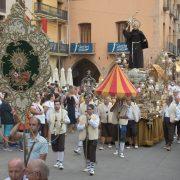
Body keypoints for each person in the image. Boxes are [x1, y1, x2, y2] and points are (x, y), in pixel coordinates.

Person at [77, 104, 99, 176]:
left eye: (90, 109)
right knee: (86, 152)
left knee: (92, 152)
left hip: (93, 137)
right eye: (87, 109)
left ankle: (92, 168)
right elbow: (78, 128)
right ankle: (88, 166)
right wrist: (83, 126)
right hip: (85, 137)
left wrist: (89, 119)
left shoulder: (96, 117)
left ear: (93, 110)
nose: (88, 110)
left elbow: (95, 125)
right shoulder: (82, 117)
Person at [49, 99, 70, 170]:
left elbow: (68, 121)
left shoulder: (64, 112)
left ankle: (61, 162)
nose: (56, 106)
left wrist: (63, 121)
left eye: (58, 104)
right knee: (55, 147)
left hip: (61, 131)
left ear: (60, 105)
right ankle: (58, 161)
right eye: (55, 104)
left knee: (61, 147)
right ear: (54, 105)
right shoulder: (51, 112)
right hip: (54, 131)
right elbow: (48, 120)